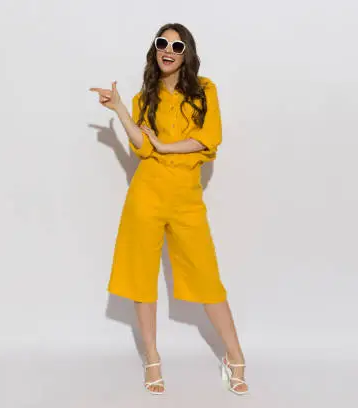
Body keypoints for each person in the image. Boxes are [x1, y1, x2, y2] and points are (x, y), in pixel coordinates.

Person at [90, 23, 249, 396]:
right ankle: (152, 359)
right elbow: (143, 148)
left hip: (186, 198)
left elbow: (208, 139)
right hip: (146, 193)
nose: (168, 50)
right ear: (155, 50)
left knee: (207, 278)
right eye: (162, 43)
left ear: (186, 54)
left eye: (176, 46)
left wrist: (165, 146)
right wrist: (120, 112)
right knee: (141, 278)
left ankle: (235, 356)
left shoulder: (205, 90)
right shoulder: (145, 97)